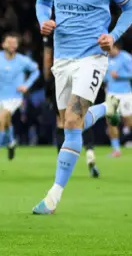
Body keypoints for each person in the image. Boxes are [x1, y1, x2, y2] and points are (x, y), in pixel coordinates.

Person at [33, 0, 132, 214]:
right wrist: (43, 21)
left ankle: (53, 197)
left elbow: (129, 9)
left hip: (92, 56)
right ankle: (108, 108)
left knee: (73, 123)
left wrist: (113, 35)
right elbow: (42, 2)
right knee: (69, 123)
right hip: (62, 57)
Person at [44, 34, 102, 178]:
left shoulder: (54, 30)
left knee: (62, 122)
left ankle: (62, 161)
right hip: (84, 75)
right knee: (80, 116)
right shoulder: (86, 28)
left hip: (61, 75)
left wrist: (48, 80)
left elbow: (47, 57)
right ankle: (89, 151)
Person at [0, 32, 40, 162]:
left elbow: (36, 70)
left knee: (0, 119)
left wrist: (26, 85)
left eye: (15, 43)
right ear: (3, 44)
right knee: (6, 123)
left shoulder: (22, 60)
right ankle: (12, 143)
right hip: (0, 96)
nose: (13, 45)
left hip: (15, 97)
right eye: (10, 42)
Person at [105, 43, 132, 156]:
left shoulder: (126, 57)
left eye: (110, 49)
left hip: (126, 94)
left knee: (128, 122)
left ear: (117, 47)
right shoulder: (105, 58)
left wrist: (119, 75)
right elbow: (105, 76)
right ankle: (116, 150)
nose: (109, 52)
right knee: (111, 122)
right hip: (111, 94)